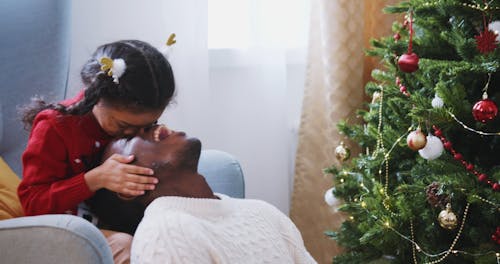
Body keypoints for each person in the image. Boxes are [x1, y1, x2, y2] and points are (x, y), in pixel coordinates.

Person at [18, 39, 176, 264]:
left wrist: (158, 144)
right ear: (97, 97)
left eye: (146, 124)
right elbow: (33, 204)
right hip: (67, 231)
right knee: (127, 247)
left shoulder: (135, 125)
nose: (131, 133)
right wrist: (95, 179)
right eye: (123, 126)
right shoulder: (55, 127)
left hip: (119, 221)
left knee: (177, 233)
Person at [90, 125, 317, 264]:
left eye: (148, 122)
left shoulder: (262, 211)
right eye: (129, 139)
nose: (149, 127)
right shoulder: (164, 232)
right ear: (127, 189)